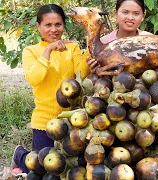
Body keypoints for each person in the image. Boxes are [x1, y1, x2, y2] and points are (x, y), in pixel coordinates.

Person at [10, 4, 89, 174]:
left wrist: (89, 47)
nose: (54, 29)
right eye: (48, 25)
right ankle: (20, 155)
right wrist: (48, 49)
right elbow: (33, 78)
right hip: (44, 122)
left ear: (64, 25)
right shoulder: (30, 51)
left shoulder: (72, 48)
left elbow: (82, 74)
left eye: (58, 25)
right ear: (38, 26)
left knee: (71, 168)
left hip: (71, 120)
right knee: (43, 170)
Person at [88, 0, 152, 72]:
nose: (130, 18)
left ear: (143, 16)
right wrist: (93, 70)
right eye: (125, 12)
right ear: (115, 14)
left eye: (136, 13)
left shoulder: (150, 41)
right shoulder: (103, 44)